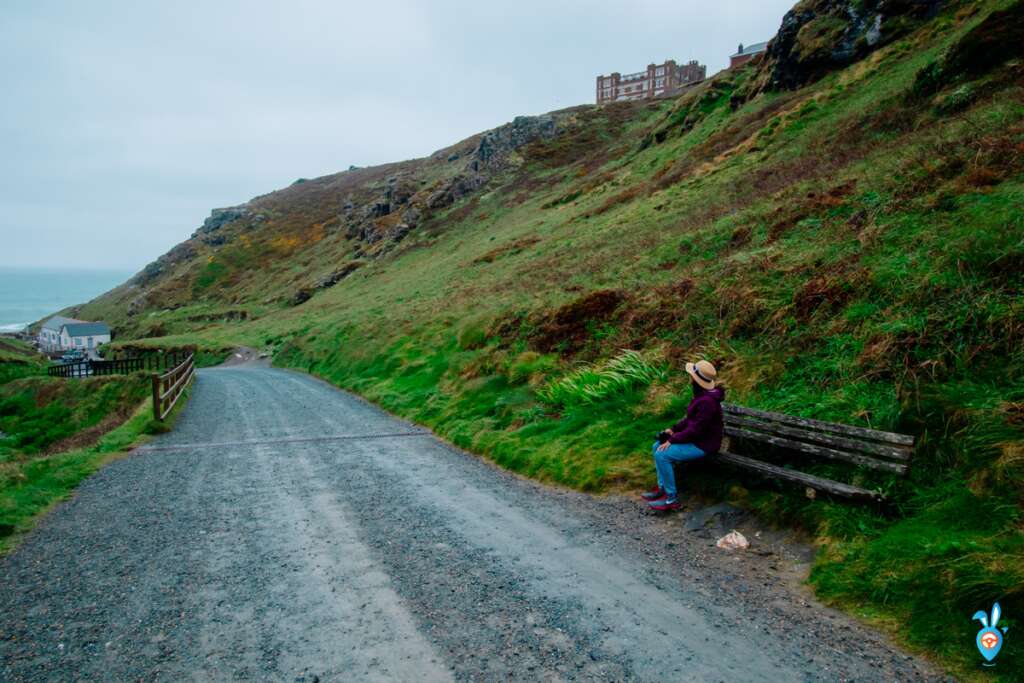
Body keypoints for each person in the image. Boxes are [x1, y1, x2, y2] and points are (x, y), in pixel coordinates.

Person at [643, 360, 725, 511]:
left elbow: (697, 429)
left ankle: (671, 499)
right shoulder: (702, 395)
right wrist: (673, 429)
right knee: (657, 446)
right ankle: (662, 489)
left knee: (662, 454)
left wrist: (673, 439)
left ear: (695, 379)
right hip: (697, 440)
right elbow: (690, 419)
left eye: (691, 375)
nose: (689, 377)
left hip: (704, 445)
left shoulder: (707, 402)